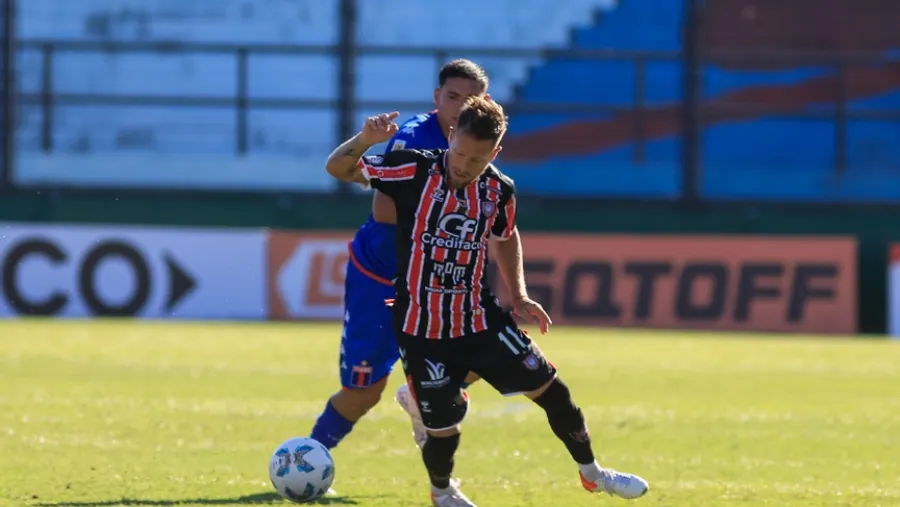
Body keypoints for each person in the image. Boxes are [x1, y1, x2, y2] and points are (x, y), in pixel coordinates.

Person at [324, 97, 650, 506]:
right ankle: (442, 492)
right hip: (422, 330)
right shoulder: (413, 168)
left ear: (494, 154)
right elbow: (338, 168)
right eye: (460, 153)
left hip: (479, 319)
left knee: (556, 393)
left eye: (477, 160)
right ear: (450, 137)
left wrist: (520, 295)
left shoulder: (498, 189)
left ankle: (593, 474)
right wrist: (366, 139)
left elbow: (506, 234)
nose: (464, 165)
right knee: (445, 431)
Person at [309, 59, 491, 453]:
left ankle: (423, 397)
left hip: (436, 277)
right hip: (384, 274)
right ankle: (310, 454)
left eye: (470, 99)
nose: (460, 107)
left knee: (498, 347)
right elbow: (384, 210)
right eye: (452, 97)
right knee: (363, 393)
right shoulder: (414, 141)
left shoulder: (478, 145)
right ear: (436, 97)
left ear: (484, 102)